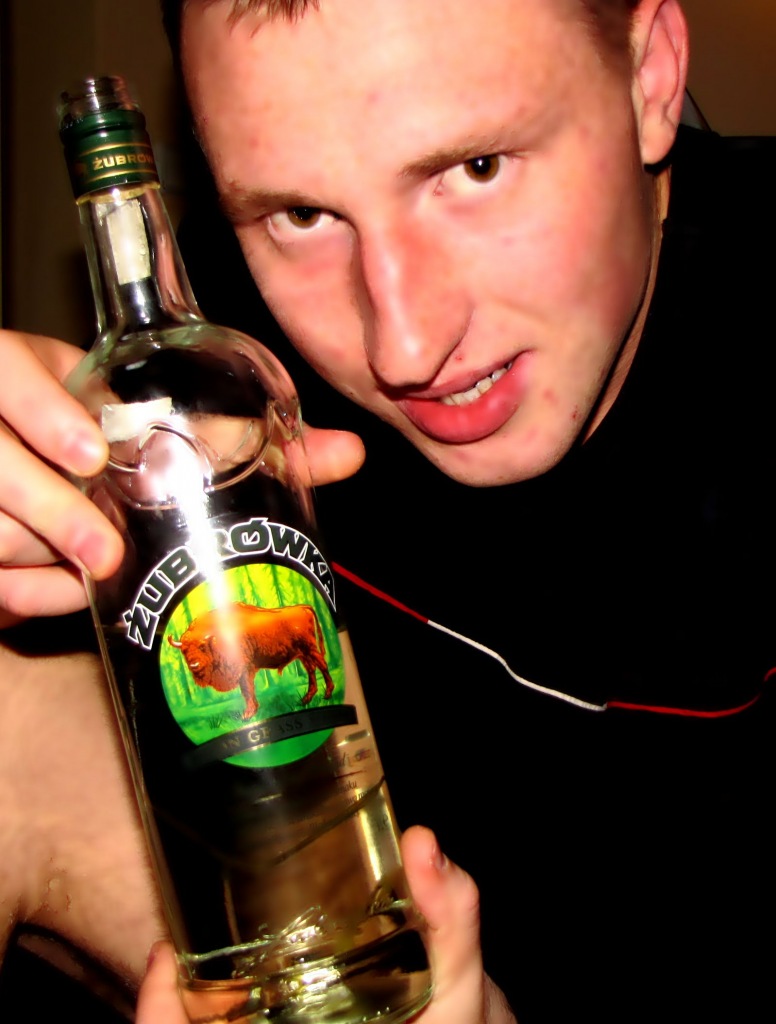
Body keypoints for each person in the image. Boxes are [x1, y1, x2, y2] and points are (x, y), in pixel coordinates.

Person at [0, 0, 774, 1021]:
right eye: (300, 216)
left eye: (476, 168)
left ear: (650, 74)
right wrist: (53, 512)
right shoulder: (227, 354)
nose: (402, 347)